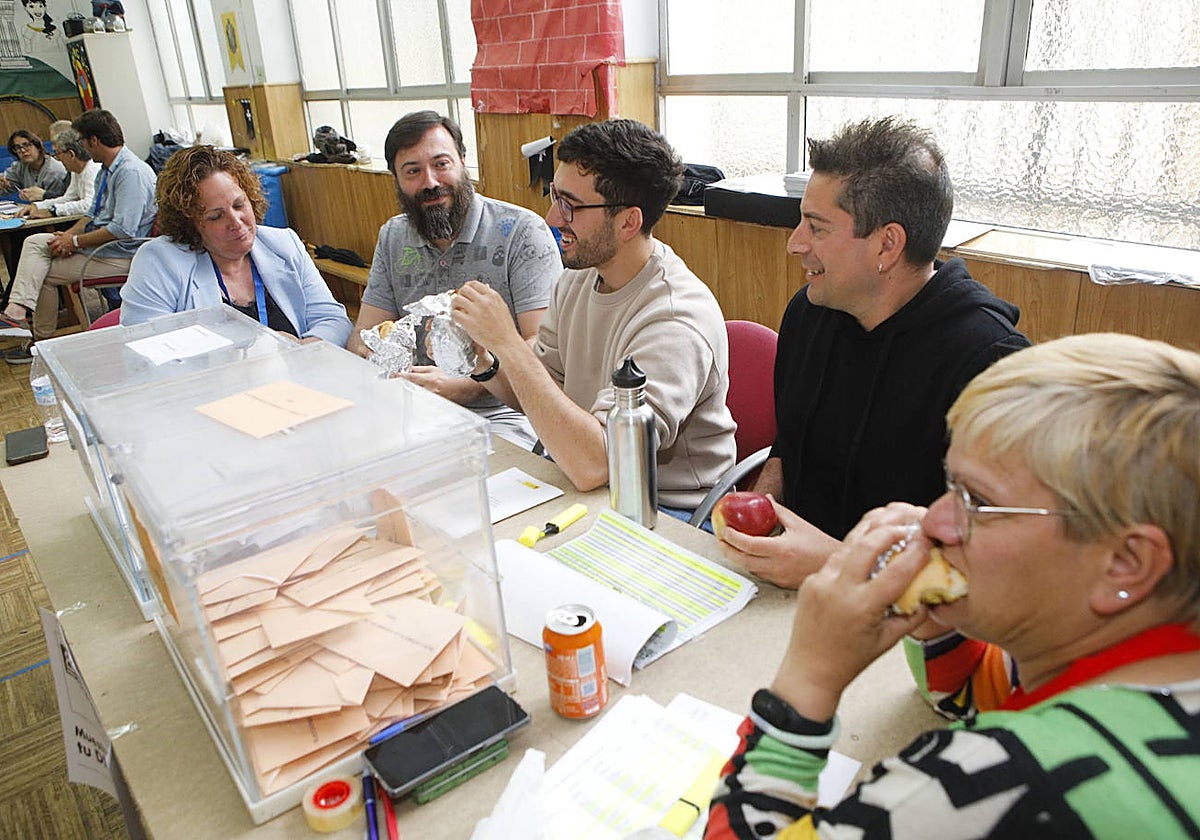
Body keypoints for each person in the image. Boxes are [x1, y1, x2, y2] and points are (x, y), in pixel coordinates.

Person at [707, 333, 1200, 839]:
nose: (935, 521)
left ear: (1126, 562)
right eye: (950, 487)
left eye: (979, 501)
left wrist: (808, 679)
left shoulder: (995, 784)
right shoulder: (1147, 650)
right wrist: (935, 612)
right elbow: (976, 693)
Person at [721, 117, 1029, 588]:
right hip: (795, 592)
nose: (794, 242)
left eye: (817, 228)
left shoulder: (991, 365)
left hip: (911, 624)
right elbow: (788, 449)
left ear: (888, 244)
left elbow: (1000, 563)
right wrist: (762, 520)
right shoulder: (810, 313)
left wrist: (837, 563)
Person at [452, 119, 736, 518]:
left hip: (670, 507)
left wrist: (509, 345)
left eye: (570, 204)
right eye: (554, 195)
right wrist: (484, 359)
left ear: (627, 222)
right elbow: (541, 394)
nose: (552, 217)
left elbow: (601, 462)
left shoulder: (676, 320)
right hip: (587, 476)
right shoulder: (578, 278)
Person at [349, 110, 562, 449]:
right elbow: (365, 334)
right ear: (396, 179)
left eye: (441, 164)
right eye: (413, 171)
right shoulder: (393, 236)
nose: (430, 182)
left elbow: (542, 348)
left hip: (502, 412)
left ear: (463, 162)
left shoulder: (521, 232)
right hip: (409, 407)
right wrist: (372, 356)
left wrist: (467, 384)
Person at [120, 146, 350, 345]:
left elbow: (333, 320)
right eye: (215, 216)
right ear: (189, 225)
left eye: (239, 205)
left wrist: (302, 348)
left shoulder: (284, 244)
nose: (236, 222)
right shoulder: (159, 262)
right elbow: (144, 348)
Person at [0, 110, 156, 361]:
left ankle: (40, 343)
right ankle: (17, 311)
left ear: (93, 140)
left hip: (125, 254)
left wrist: (73, 242)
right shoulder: (107, 170)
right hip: (105, 247)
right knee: (35, 242)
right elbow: (91, 214)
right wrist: (69, 236)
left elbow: (123, 230)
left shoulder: (131, 172)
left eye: (82, 140)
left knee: (44, 275)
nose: (81, 147)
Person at [16, 129, 100, 219]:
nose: (57, 159)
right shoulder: (75, 172)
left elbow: (89, 205)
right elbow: (68, 198)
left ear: (71, 154)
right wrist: (38, 206)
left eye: (57, 153)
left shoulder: (92, 170)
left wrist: (54, 210)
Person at [0, 129, 68, 201]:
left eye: (26, 145)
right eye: (17, 147)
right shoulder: (19, 166)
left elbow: (57, 203)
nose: (23, 150)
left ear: (38, 147)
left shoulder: (54, 171)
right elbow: (7, 185)